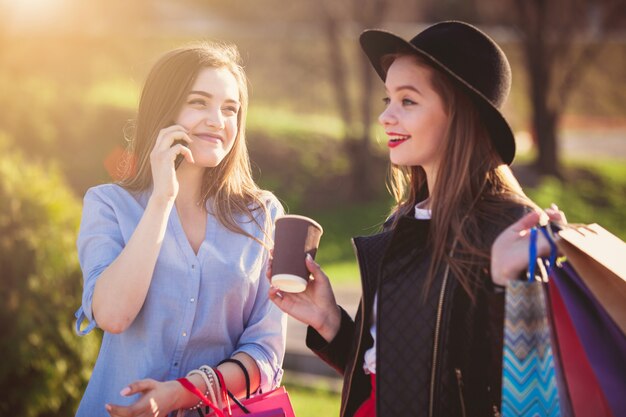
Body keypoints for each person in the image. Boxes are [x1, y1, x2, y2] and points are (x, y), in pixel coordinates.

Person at [269, 21, 547, 417]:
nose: (386, 117)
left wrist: (504, 286)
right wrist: (330, 321)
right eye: (387, 99)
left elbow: (522, 388)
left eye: (408, 101)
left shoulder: (512, 229)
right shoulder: (403, 224)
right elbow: (396, 375)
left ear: (461, 115)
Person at [73, 42, 286, 417]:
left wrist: (184, 392)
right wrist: (161, 200)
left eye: (230, 109)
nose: (218, 120)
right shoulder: (108, 205)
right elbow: (113, 315)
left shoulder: (263, 215)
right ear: (164, 108)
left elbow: (265, 351)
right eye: (199, 102)